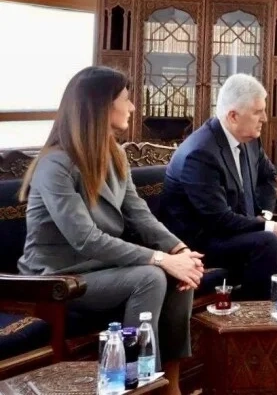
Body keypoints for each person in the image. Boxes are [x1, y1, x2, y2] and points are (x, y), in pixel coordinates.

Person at [18, 67, 203, 395]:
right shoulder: (55, 165)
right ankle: (136, 385)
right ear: (102, 105)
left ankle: (171, 386)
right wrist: (160, 259)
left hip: (101, 269)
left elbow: (139, 215)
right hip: (55, 278)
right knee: (150, 276)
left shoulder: (115, 154)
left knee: (181, 275)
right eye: (126, 99)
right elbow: (85, 239)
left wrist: (179, 251)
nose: (132, 107)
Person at [160, 73, 277, 301]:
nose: (265, 118)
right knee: (268, 242)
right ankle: (255, 320)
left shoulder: (249, 140)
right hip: (204, 244)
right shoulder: (200, 153)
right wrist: (273, 226)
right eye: (257, 112)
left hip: (241, 233)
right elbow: (219, 220)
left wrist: (265, 214)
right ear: (233, 116)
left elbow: (268, 175)